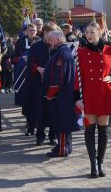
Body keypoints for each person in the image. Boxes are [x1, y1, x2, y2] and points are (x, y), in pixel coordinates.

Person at [75, 22, 111, 178]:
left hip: (104, 94)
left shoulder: (109, 50)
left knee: (103, 132)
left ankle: (101, 162)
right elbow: (76, 77)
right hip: (88, 96)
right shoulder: (80, 52)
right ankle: (93, 164)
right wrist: (76, 98)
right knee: (89, 131)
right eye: (87, 32)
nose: (89, 35)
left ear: (99, 33)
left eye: (92, 32)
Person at [43, 30, 79, 158]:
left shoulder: (62, 53)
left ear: (58, 40)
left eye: (51, 40)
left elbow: (59, 76)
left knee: (61, 123)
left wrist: (50, 93)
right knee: (62, 122)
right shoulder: (62, 51)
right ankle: (64, 146)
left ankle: (62, 149)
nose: (49, 42)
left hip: (60, 95)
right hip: (62, 94)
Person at [22, 23, 57, 146]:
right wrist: (38, 68)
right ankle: (40, 136)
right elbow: (30, 62)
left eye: (53, 34)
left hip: (53, 84)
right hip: (39, 83)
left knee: (53, 110)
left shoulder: (56, 46)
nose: (50, 36)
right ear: (44, 33)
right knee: (41, 111)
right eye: (49, 34)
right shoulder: (36, 46)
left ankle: (53, 136)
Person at [13, 23, 37, 106]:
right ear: (26, 31)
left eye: (34, 30)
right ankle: (21, 101)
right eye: (30, 30)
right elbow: (15, 55)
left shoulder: (40, 40)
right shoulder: (20, 41)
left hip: (35, 66)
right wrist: (19, 60)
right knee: (21, 84)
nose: (32, 32)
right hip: (22, 66)